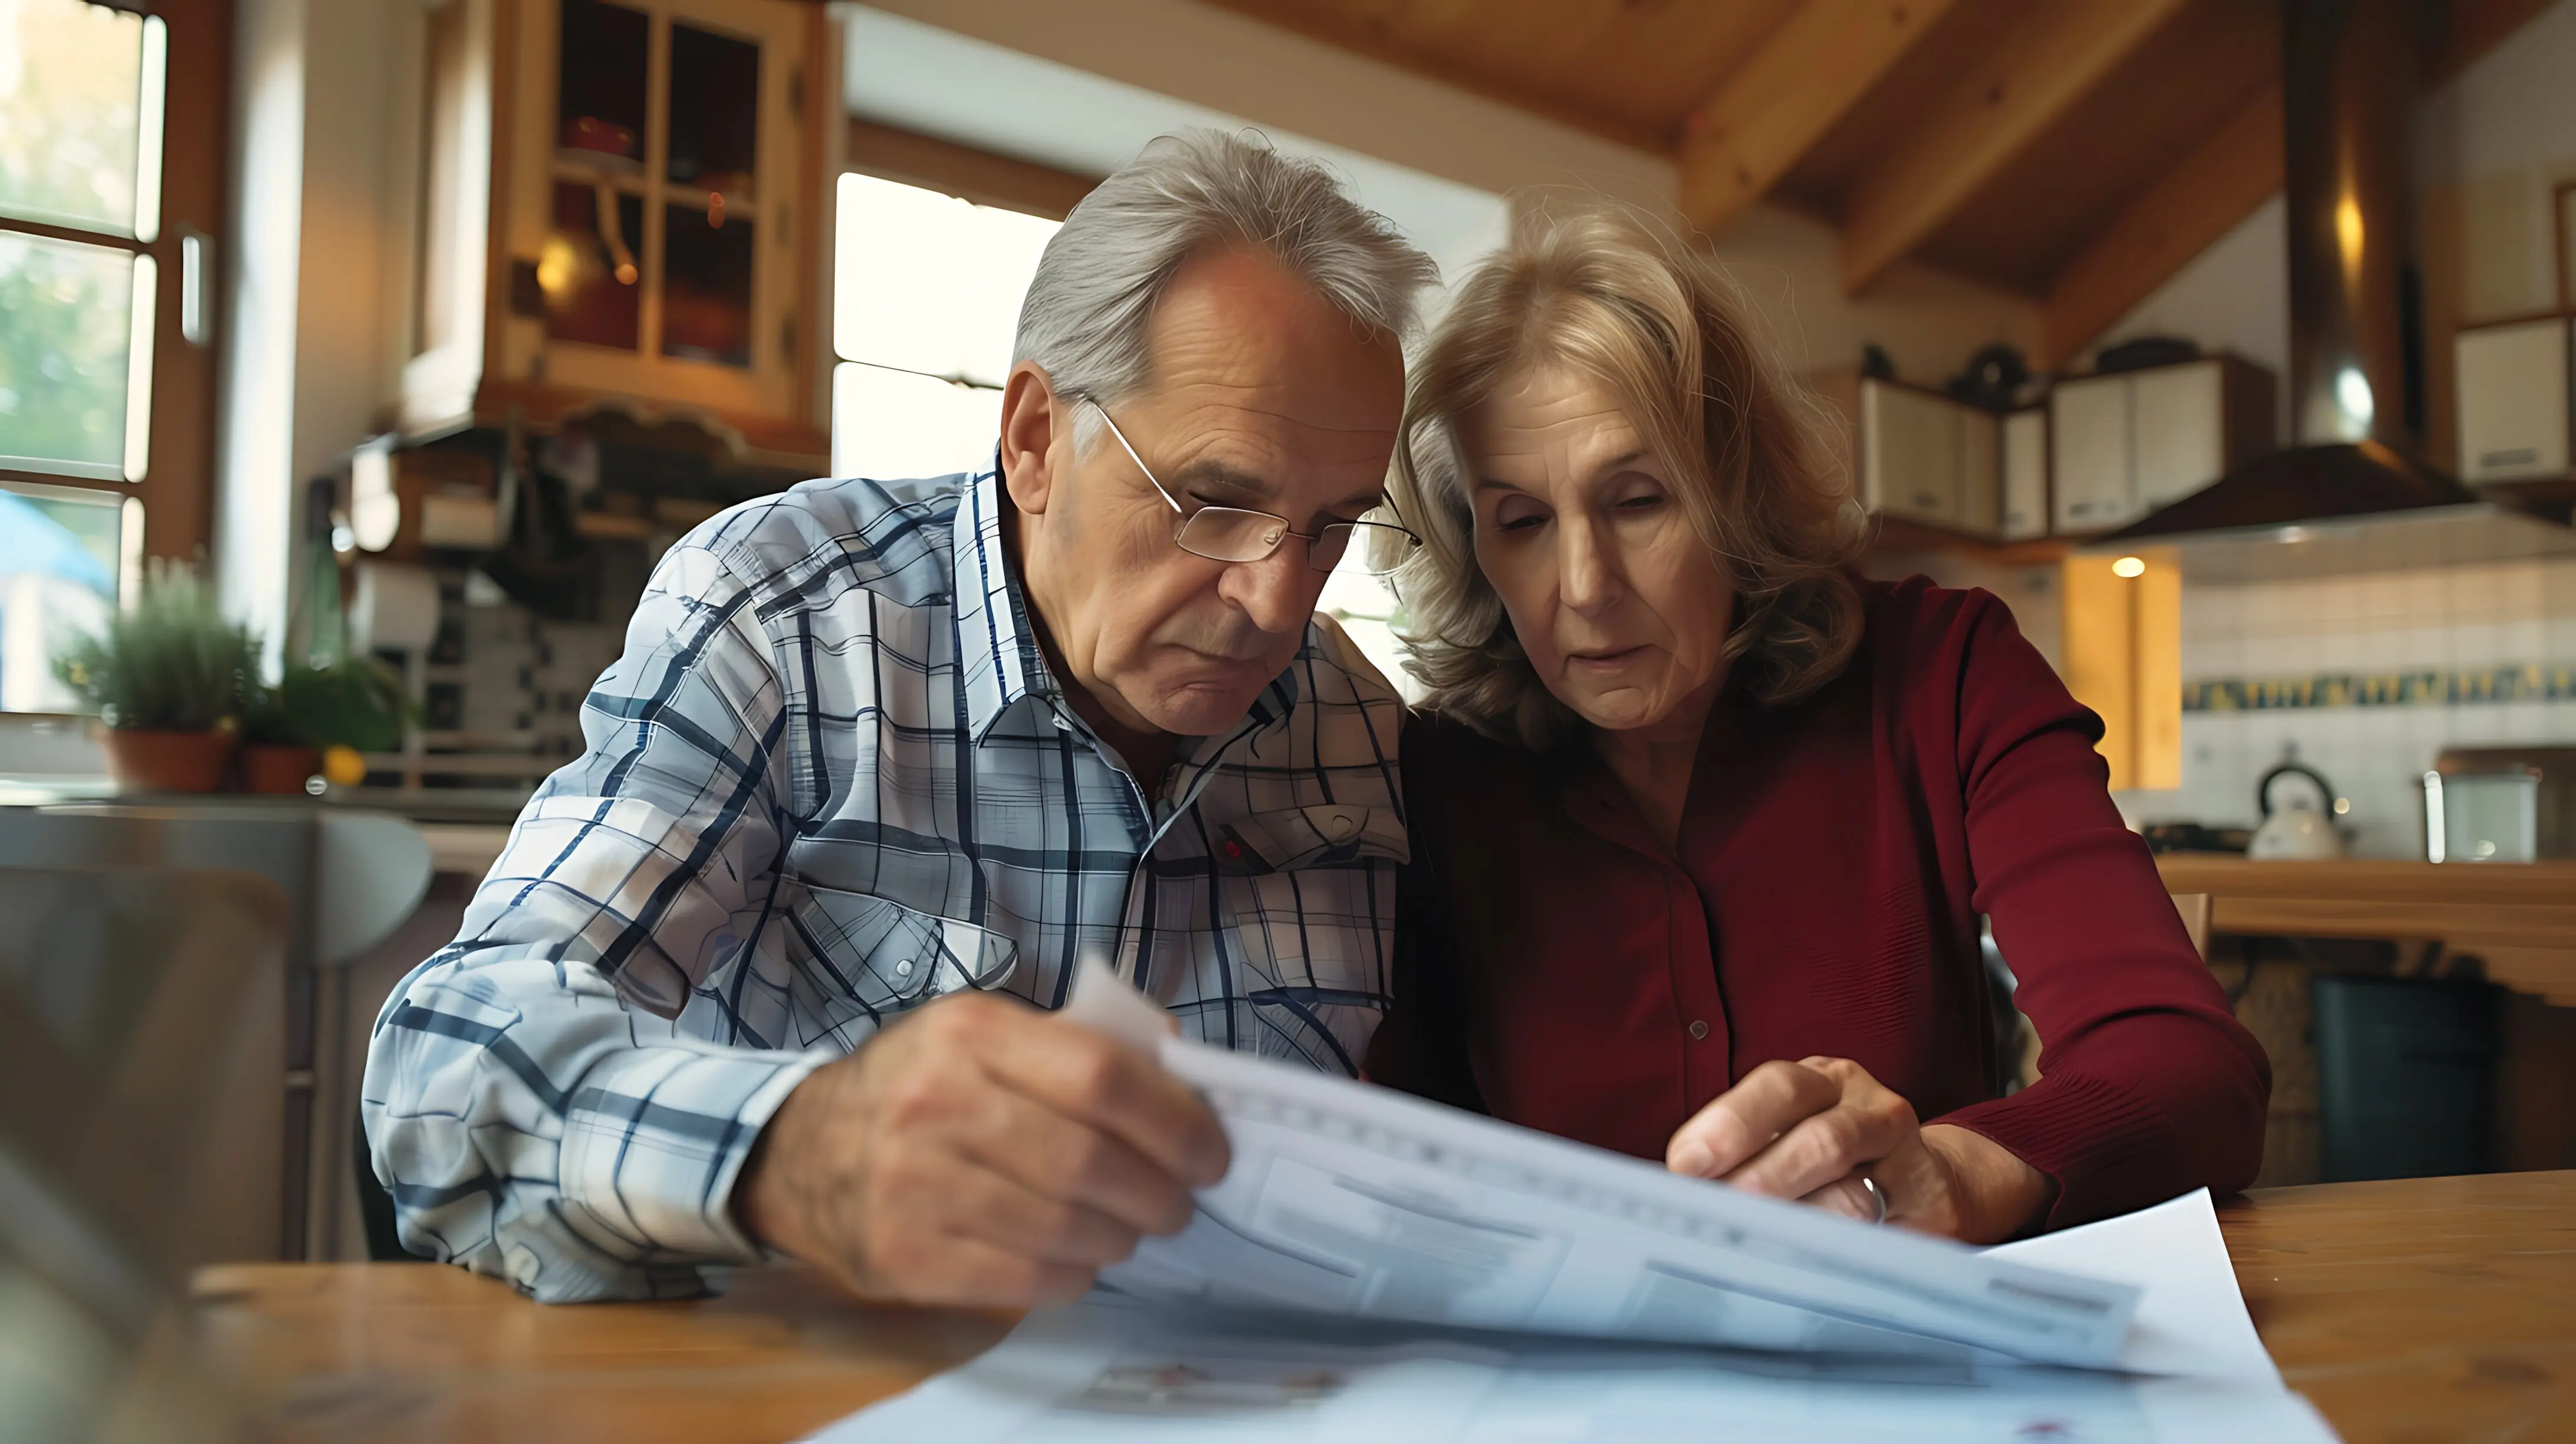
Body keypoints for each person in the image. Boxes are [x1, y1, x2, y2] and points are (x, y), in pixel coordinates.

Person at [364, 131, 1438, 1303]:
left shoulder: (1352, 724)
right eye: (1215, 503)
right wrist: (802, 1152)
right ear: (1036, 440)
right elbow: (446, 1059)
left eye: (1332, 525)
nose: (1278, 601)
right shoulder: (787, 616)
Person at [1365, 201, 2268, 1242]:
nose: (1584, 586)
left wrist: (1962, 1173)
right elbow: (1398, 1150)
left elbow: (2191, 1070)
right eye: (1520, 522)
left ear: (1735, 492)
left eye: (1640, 499)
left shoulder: (1944, 671)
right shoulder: (1438, 775)